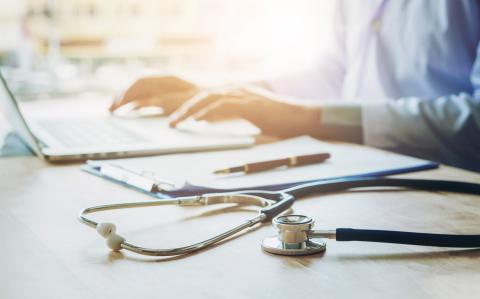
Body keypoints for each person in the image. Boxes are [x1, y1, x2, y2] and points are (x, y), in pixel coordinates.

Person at [110, 0, 480, 172]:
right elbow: (335, 73)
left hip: (454, 193)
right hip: (364, 172)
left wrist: (310, 118)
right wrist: (223, 94)